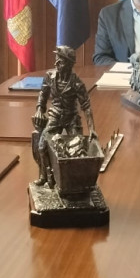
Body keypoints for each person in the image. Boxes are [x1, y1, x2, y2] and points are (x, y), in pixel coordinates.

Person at [33, 46, 97, 189]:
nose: (56, 64)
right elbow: (42, 95)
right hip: (55, 115)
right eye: (56, 61)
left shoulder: (77, 83)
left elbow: (86, 106)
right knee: (42, 146)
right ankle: (44, 176)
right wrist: (39, 109)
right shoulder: (50, 76)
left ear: (69, 64)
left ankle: (77, 182)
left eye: (60, 62)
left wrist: (92, 129)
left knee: (78, 150)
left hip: (71, 117)